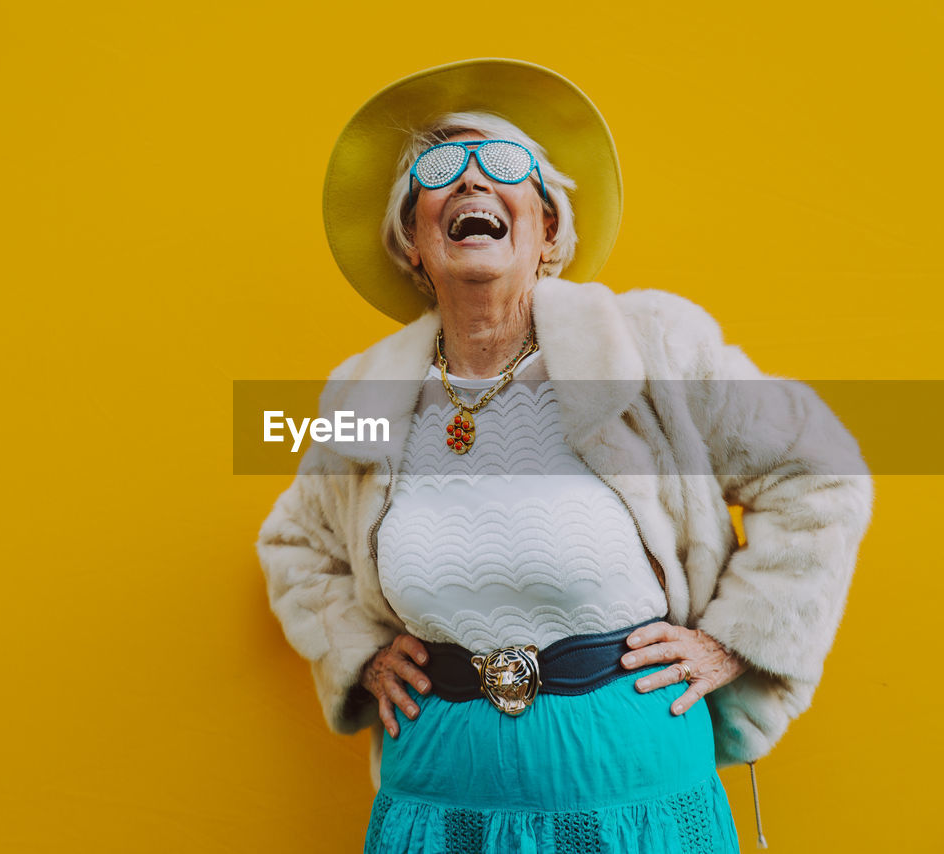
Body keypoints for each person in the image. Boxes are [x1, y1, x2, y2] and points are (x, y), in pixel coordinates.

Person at [257, 58, 873, 853]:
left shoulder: (647, 345)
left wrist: (737, 641)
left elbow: (819, 471)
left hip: (636, 794)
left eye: (505, 165)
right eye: (439, 172)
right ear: (412, 240)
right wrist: (359, 653)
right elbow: (295, 543)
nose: (473, 183)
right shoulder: (366, 398)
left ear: (549, 230)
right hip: (438, 800)